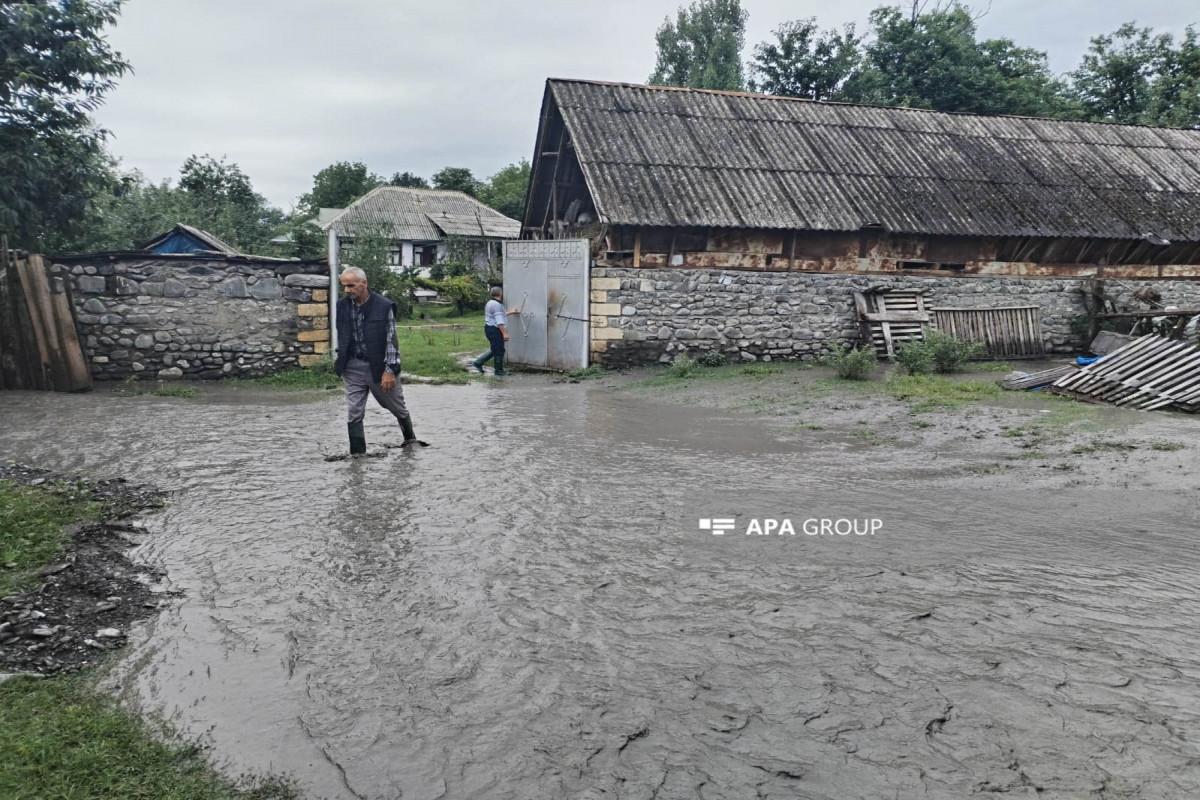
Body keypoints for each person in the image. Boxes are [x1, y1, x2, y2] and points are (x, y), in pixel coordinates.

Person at [333, 267, 427, 454]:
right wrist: (340, 359)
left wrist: (390, 370)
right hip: (352, 367)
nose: (347, 290)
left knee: (396, 406)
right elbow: (341, 333)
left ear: (364, 283)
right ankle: (357, 457)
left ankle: (410, 440)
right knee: (354, 412)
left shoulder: (384, 306)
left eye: (351, 285)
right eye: (344, 286)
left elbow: (391, 339)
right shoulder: (341, 305)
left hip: (379, 367)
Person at [471, 286, 519, 376]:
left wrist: (511, 312)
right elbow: (499, 321)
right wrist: (505, 333)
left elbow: (500, 315)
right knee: (499, 350)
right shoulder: (497, 305)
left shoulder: (490, 303)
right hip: (495, 330)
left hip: (489, 329)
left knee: (495, 349)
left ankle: (478, 363)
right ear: (501, 293)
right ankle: (498, 371)